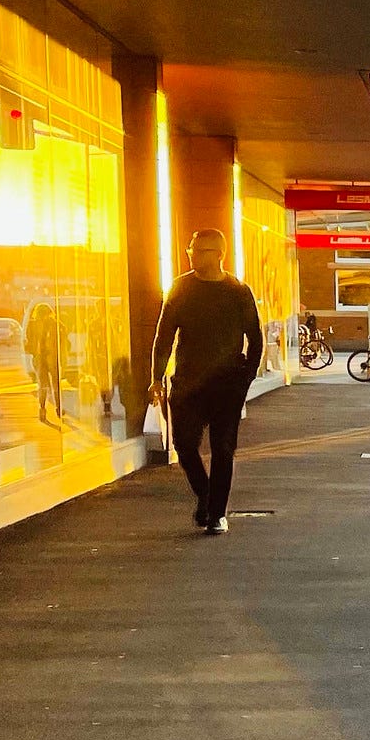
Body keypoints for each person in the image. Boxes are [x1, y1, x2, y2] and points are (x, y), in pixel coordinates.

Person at [150, 229, 262, 535]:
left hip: (227, 385)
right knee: (184, 446)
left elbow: (255, 338)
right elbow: (163, 337)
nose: (193, 255)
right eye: (192, 249)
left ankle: (217, 515)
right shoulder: (181, 288)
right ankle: (206, 495)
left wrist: (246, 378)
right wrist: (156, 378)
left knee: (223, 449)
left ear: (220, 254)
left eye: (200, 250)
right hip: (187, 383)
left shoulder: (238, 292)